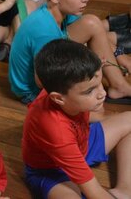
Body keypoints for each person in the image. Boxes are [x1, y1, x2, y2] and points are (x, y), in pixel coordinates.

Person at [8, 0, 131, 104]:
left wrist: (120, 55)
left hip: (53, 60)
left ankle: (119, 86)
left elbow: (95, 34)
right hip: (35, 91)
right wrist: (92, 70)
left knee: (92, 22)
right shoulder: (44, 31)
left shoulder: (61, 12)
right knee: (98, 111)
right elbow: (42, 81)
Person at [22, 39, 131, 199]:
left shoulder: (61, 84)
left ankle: (125, 190)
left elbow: (40, 74)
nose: (102, 93)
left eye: (100, 82)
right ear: (58, 99)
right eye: (89, 91)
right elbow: (94, 193)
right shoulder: (56, 130)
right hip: (51, 170)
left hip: (82, 143)